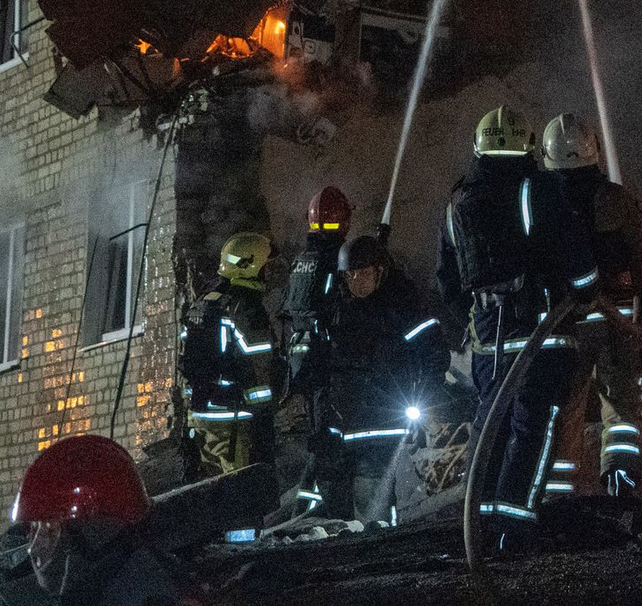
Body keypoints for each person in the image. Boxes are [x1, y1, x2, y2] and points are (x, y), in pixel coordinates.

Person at [436, 106, 599, 539]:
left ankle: (479, 524)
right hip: (541, 333)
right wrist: (585, 288)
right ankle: (515, 527)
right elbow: (576, 258)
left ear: (479, 146)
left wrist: (480, 317)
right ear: (527, 145)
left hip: (489, 343)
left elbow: (447, 283)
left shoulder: (458, 204)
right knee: (534, 425)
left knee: (491, 425)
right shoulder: (538, 189)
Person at [542, 114, 642, 498]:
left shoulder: (541, 201)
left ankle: (558, 497)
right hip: (618, 317)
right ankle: (620, 483)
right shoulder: (615, 199)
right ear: (595, 151)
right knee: (623, 404)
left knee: (565, 409)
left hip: (564, 322)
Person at [315, 234, 449, 522]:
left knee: (372, 498)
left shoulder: (403, 307)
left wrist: (424, 399)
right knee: (334, 501)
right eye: (350, 274)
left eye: (363, 273)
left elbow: (434, 355)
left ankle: (376, 544)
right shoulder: (338, 309)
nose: (356, 281)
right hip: (343, 421)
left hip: (383, 422)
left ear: (380, 271)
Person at [11, 435, 201, 605]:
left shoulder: (154, 594)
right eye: (33, 530)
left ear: (97, 531)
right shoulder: (95, 591)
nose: (35, 547)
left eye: (50, 530)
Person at [179, 231, 278, 479]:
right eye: (265, 266)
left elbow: (186, 360)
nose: (267, 271)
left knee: (208, 496)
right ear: (250, 266)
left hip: (199, 416)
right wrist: (263, 415)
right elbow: (258, 364)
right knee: (240, 496)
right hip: (232, 420)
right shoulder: (244, 307)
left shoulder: (201, 304)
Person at [279, 186, 353, 513]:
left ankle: (307, 507)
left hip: (302, 361)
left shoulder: (302, 261)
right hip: (326, 361)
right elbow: (343, 306)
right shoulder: (335, 260)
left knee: (319, 438)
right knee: (329, 441)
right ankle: (322, 511)